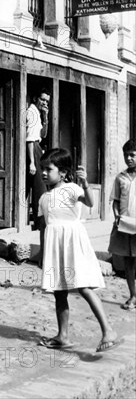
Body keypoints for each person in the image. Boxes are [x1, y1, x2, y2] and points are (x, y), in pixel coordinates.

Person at [38, 148, 122, 352]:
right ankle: (62, 336)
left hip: (73, 242)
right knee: (59, 291)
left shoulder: (72, 189)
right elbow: (43, 226)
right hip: (54, 245)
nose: (43, 173)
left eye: (48, 169)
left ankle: (108, 330)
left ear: (64, 172)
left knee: (83, 285)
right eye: (42, 169)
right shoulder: (43, 198)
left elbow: (90, 202)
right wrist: (42, 254)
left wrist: (85, 183)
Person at [108, 139, 136, 310]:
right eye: (126, 155)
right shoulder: (120, 178)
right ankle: (133, 295)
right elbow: (116, 201)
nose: (129, 159)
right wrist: (117, 217)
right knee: (128, 262)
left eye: (132, 155)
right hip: (126, 225)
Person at [26, 88, 50, 228]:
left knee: (41, 186)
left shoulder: (38, 113)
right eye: (42, 99)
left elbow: (43, 134)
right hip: (33, 149)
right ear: (35, 98)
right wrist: (32, 163)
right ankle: (39, 221)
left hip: (37, 148)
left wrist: (45, 117)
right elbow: (30, 139)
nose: (44, 103)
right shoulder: (32, 113)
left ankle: (40, 220)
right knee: (39, 187)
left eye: (46, 101)